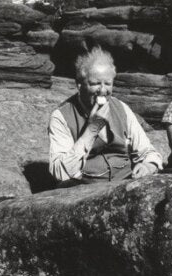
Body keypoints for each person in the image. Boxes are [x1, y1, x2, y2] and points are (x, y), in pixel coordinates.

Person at [48, 47, 162, 184]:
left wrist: (148, 166)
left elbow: (148, 152)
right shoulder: (61, 116)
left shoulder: (121, 108)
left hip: (125, 183)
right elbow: (60, 172)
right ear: (79, 85)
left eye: (107, 84)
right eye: (95, 83)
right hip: (84, 189)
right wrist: (92, 128)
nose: (102, 90)